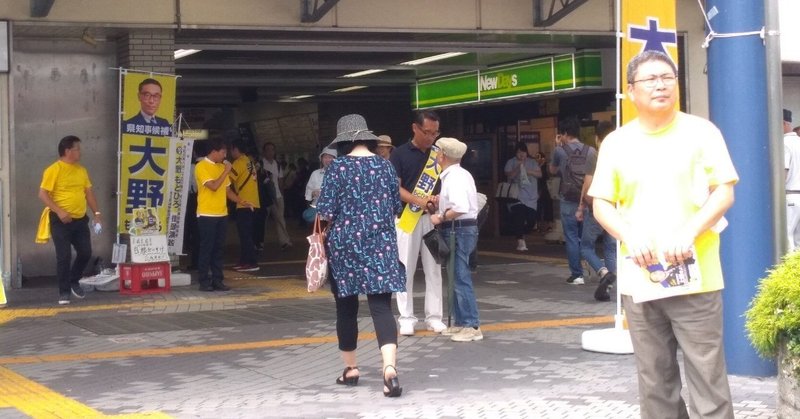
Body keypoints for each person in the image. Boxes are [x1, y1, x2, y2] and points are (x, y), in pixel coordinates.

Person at [589, 50, 738, 418]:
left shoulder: (702, 132)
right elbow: (601, 204)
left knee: (708, 378)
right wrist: (629, 235)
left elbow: (724, 192)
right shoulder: (616, 143)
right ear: (630, 92)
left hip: (696, 278)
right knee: (655, 381)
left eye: (667, 78)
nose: (660, 85)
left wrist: (688, 231)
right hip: (641, 278)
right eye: (650, 79)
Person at [316, 114, 405, 398]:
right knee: (381, 307)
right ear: (366, 137)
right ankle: (389, 369)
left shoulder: (337, 168)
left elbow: (326, 211)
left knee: (346, 308)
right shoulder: (385, 166)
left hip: (345, 246)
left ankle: (351, 369)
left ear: (344, 141)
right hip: (381, 244)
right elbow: (395, 206)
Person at [390, 110, 447, 336]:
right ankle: (406, 318)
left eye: (435, 133)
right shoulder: (400, 154)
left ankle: (434, 317)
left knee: (434, 269)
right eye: (427, 132)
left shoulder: (437, 155)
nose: (431, 137)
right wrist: (418, 200)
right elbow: (396, 187)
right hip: (406, 219)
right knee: (405, 268)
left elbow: (443, 186)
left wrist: (435, 200)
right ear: (415, 128)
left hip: (430, 219)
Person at [37, 135, 102, 305]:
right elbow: (42, 194)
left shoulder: (81, 170)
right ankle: (64, 291)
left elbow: (88, 193)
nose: (80, 152)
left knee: (86, 252)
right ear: (67, 151)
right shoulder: (53, 170)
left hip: (80, 220)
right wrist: (59, 211)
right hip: (60, 220)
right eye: (77, 149)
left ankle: (74, 280)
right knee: (63, 256)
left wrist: (97, 214)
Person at [430, 137, 482, 342]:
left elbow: (460, 207)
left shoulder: (454, 177)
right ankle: (462, 323)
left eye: (436, 152)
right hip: (461, 229)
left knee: (460, 276)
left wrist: (440, 216)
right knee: (455, 276)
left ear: (442, 155)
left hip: (458, 230)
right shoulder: (458, 175)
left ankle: (472, 325)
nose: (435, 156)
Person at [195, 138, 254, 292]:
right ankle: (204, 281)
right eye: (223, 152)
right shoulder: (202, 166)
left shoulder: (222, 166)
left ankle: (217, 280)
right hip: (207, 214)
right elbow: (213, 186)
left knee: (219, 249)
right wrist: (226, 171)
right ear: (214, 151)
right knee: (207, 248)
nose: (225, 156)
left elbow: (228, 191)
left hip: (222, 214)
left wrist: (241, 201)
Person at [549, 116, 597, 285]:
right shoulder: (591, 151)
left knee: (571, 236)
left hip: (568, 199)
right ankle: (595, 267)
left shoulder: (559, 151)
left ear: (564, 134)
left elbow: (552, 170)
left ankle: (577, 275)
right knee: (586, 238)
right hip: (588, 199)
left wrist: (557, 147)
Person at [575, 120, 618, 301]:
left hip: (599, 206)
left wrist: (581, 205)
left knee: (585, 247)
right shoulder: (621, 152)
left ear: (596, 137)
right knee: (610, 247)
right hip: (617, 207)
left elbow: (588, 182)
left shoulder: (596, 154)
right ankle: (609, 285)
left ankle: (603, 272)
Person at [229, 141, 260, 272]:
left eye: (232, 150)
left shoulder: (238, 163)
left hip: (244, 203)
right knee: (247, 234)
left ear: (236, 149)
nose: (231, 153)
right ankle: (243, 261)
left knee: (245, 235)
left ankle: (251, 263)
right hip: (254, 202)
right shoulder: (249, 162)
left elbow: (227, 179)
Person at [504, 142, 542, 251]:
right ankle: (520, 241)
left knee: (531, 220)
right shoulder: (511, 162)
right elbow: (509, 175)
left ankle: (519, 232)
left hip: (531, 197)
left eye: (523, 152)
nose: (521, 154)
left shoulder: (532, 162)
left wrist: (527, 170)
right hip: (516, 196)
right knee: (519, 216)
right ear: (515, 153)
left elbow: (540, 174)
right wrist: (518, 167)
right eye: (519, 152)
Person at [258, 142, 292, 250]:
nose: (270, 152)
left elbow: (280, 181)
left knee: (280, 219)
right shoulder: (260, 164)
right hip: (265, 198)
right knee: (262, 221)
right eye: (268, 150)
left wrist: (281, 194)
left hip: (277, 196)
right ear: (264, 152)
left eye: (272, 150)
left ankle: (284, 241)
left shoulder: (277, 165)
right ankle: (259, 242)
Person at [303, 147, 337, 224]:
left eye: (330, 157)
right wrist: (313, 193)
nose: (327, 160)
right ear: (321, 159)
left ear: (335, 160)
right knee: (319, 235)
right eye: (325, 157)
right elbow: (308, 191)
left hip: (335, 213)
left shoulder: (341, 174)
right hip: (319, 213)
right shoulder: (315, 173)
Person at [782, 109, 800, 251]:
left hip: (790, 195)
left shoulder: (784, 143)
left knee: (787, 238)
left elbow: (784, 171)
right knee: (799, 240)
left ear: (782, 123)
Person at [533, 151, 554, 233]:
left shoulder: (546, 166)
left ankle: (548, 225)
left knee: (547, 206)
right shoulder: (534, 166)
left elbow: (547, 176)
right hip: (537, 188)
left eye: (540, 158)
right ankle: (537, 225)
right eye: (537, 158)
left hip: (545, 188)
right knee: (538, 207)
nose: (538, 159)